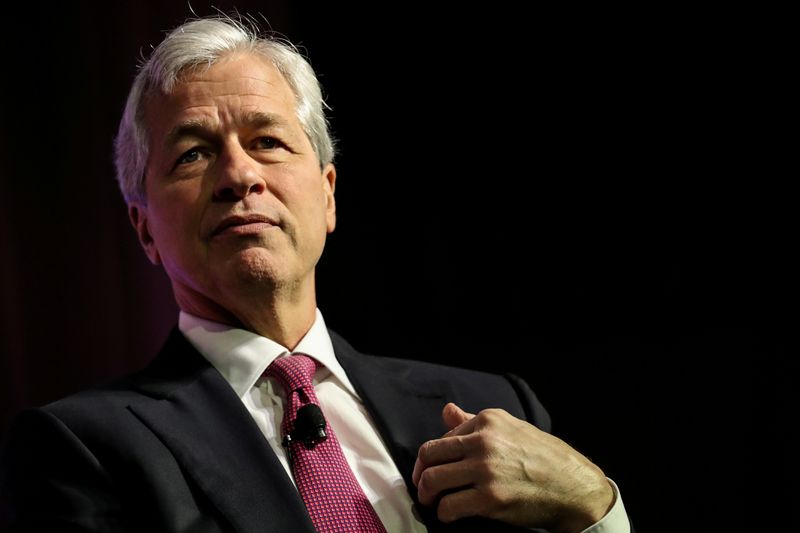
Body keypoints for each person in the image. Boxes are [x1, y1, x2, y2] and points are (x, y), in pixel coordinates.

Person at [0, 14, 632, 533]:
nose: (239, 176)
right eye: (193, 153)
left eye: (268, 141)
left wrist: (596, 507)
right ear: (143, 230)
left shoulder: (494, 407)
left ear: (328, 195)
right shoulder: (83, 448)